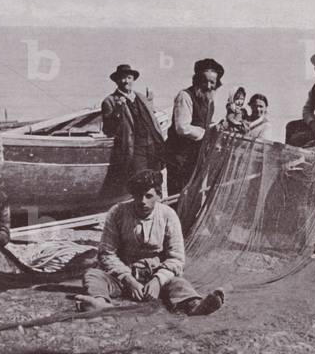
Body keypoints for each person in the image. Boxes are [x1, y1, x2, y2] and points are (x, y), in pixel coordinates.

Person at [78, 170, 225, 315]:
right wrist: (128, 279)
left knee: (179, 283)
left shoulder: (168, 215)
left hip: (155, 276)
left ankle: (194, 305)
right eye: (138, 195)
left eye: (149, 196)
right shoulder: (117, 212)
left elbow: (176, 258)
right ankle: (100, 303)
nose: (143, 201)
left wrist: (157, 280)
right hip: (123, 277)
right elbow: (106, 253)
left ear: (159, 196)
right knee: (92, 275)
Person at [100, 63, 167, 194]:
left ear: (133, 79)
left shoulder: (141, 97)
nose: (126, 81)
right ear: (116, 81)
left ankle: (157, 209)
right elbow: (108, 129)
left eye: (129, 78)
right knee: (140, 181)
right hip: (135, 149)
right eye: (122, 78)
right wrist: (118, 112)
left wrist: (150, 102)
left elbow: (150, 119)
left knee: (156, 180)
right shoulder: (110, 101)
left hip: (152, 145)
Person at [165, 58, 224, 195]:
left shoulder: (209, 100)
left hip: (196, 157)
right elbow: (182, 127)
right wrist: (208, 132)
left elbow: (205, 122)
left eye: (212, 82)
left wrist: (217, 127)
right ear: (197, 80)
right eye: (205, 81)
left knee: (194, 196)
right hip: (179, 158)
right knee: (179, 196)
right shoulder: (185, 96)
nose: (208, 86)